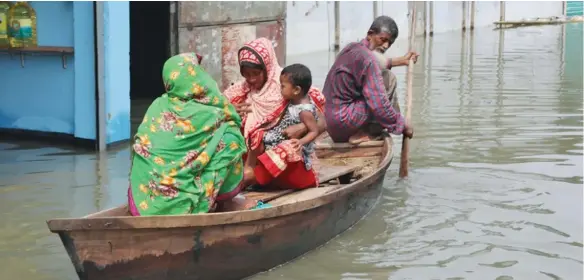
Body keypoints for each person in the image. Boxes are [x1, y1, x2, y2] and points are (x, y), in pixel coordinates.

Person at [128, 53, 247, 216]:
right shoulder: (212, 112)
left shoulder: (158, 105)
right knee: (231, 137)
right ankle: (216, 200)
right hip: (182, 206)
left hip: (143, 202)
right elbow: (231, 117)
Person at [223, 38, 326, 190]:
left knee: (286, 148)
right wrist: (228, 112)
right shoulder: (239, 93)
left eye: (256, 73)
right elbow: (213, 113)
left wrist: (302, 127)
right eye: (246, 74)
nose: (251, 79)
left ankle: (248, 178)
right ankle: (243, 176)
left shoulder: (290, 86)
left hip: (287, 168)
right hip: (252, 161)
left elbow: (325, 121)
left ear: (267, 67)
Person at [322, 15, 418, 144]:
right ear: (370, 34)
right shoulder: (368, 60)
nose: (385, 46)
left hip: (329, 124)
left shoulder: (352, 48)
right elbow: (379, 104)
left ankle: (388, 122)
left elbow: (377, 61)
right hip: (344, 122)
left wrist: (402, 61)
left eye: (389, 43)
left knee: (381, 77)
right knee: (388, 79)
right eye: (382, 40)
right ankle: (369, 132)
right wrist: (402, 125)